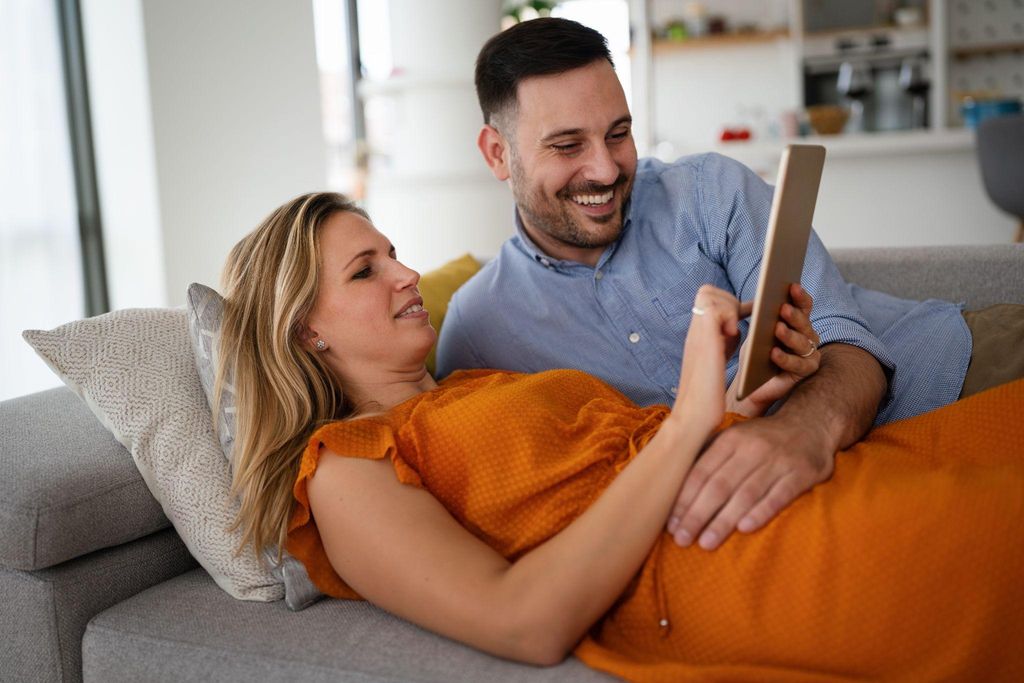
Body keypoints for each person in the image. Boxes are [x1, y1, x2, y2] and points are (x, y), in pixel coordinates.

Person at [218, 193, 1024, 682]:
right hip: (722, 551)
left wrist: (754, 389)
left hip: (770, 474)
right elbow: (523, 620)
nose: (404, 274)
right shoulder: (344, 466)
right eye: (366, 271)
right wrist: (690, 420)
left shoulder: (470, 383)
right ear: (304, 331)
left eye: (393, 254)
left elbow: (647, 451)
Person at [435, 17, 1024, 552]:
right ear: (498, 154)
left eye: (618, 133)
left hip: (956, 363)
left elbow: (850, 347)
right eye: (567, 146)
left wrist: (799, 432)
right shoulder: (479, 329)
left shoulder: (709, 192)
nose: (607, 169)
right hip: (850, 490)